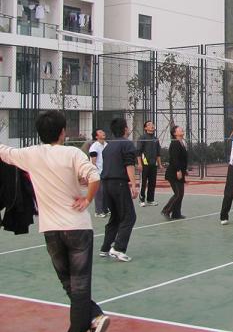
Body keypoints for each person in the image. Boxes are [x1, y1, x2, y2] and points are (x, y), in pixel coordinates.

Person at [0, 111, 111, 332]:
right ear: (62, 132)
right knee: (79, 284)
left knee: (68, 282)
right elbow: (94, 176)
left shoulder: (30, 154)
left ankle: (93, 316)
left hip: (51, 229)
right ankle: (93, 316)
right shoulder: (72, 153)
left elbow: (4, 152)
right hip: (77, 227)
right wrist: (87, 199)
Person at [99, 117, 138, 262]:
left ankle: (105, 248)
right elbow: (129, 165)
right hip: (119, 184)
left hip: (106, 184)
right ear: (125, 129)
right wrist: (133, 185)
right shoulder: (127, 144)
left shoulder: (108, 146)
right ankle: (118, 248)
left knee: (115, 217)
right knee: (129, 216)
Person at [162, 125, 187, 220]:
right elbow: (174, 159)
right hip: (173, 173)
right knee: (178, 194)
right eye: (179, 129)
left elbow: (182, 159)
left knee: (181, 194)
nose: (182, 129)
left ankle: (176, 214)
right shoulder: (175, 143)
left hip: (180, 172)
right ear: (175, 133)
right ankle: (166, 210)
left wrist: (184, 170)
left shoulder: (181, 142)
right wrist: (178, 170)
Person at [136, 120, 163, 207]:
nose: (152, 126)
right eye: (149, 124)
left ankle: (150, 200)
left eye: (152, 124)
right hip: (144, 164)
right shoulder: (142, 138)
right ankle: (141, 200)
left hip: (153, 164)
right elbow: (138, 152)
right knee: (143, 183)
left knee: (152, 183)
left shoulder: (156, 139)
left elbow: (158, 153)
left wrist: (160, 164)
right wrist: (139, 164)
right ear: (145, 128)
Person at [89, 128, 109, 218]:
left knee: (106, 191)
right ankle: (98, 211)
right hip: (97, 172)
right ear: (96, 136)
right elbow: (93, 161)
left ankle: (105, 209)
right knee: (99, 192)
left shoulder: (106, 145)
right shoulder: (94, 146)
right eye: (100, 132)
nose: (103, 132)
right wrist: (95, 172)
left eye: (103, 131)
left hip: (106, 171)